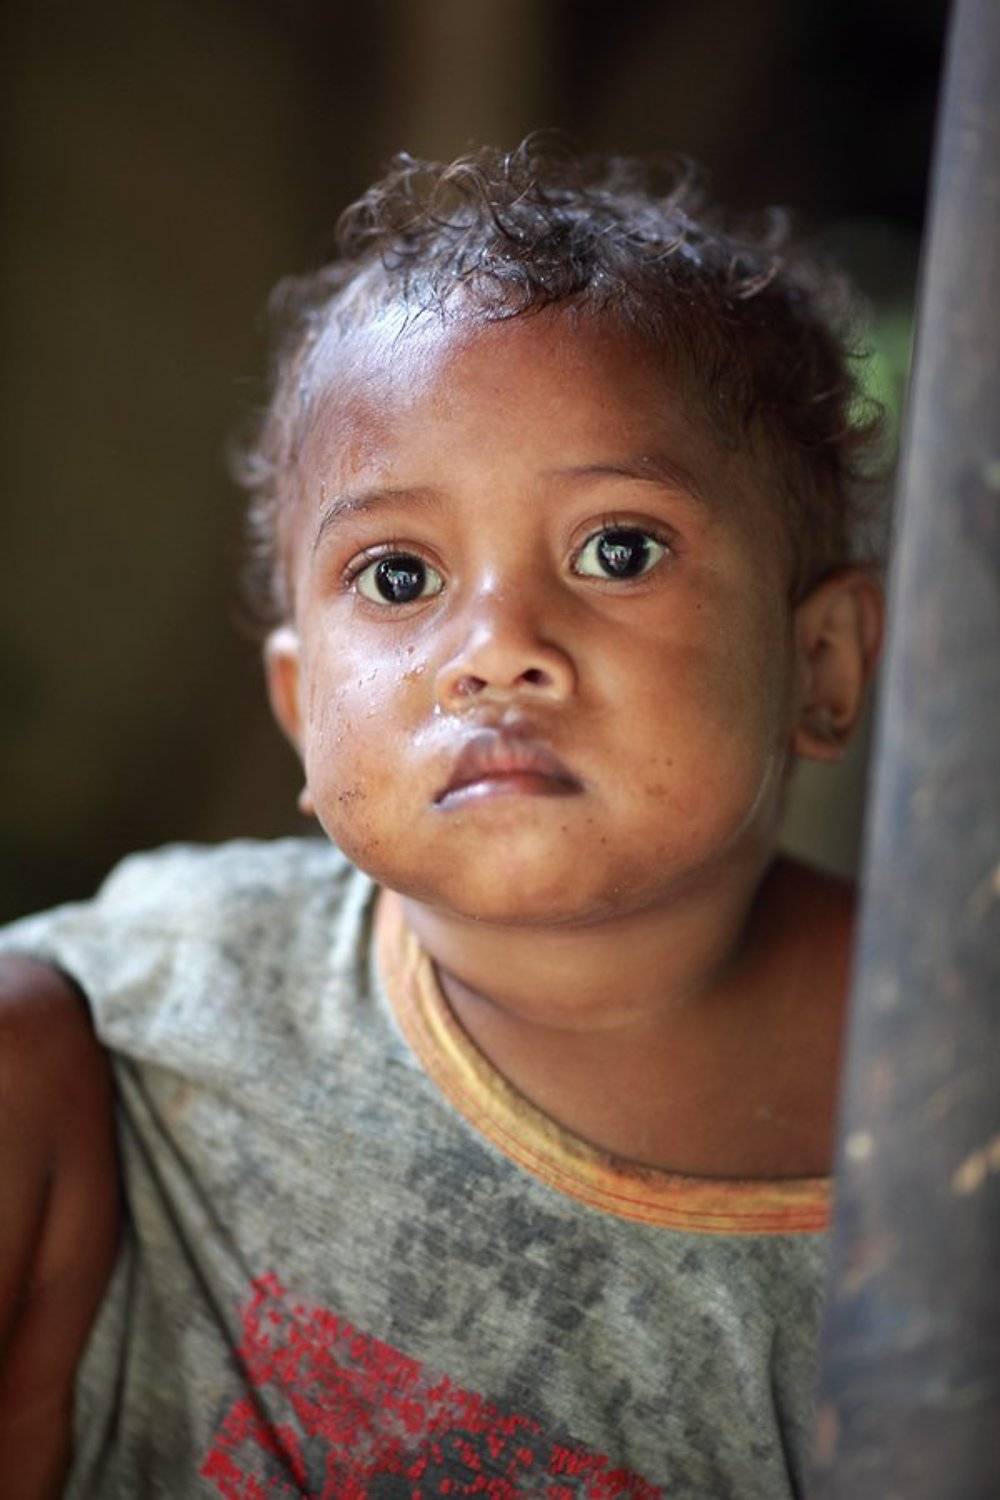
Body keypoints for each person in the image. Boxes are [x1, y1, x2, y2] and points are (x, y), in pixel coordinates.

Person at [0, 141, 885, 1498]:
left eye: (619, 549)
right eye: (400, 573)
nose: (496, 649)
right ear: (302, 709)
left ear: (817, 665)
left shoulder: (937, 1103)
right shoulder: (189, 989)